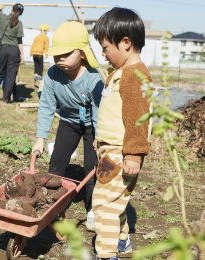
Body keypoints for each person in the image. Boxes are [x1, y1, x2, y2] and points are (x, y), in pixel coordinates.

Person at [91, 7, 152, 260]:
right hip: (111, 149)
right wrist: (100, 137)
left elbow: (137, 118)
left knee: (103, 206)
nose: (103, 54)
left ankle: (106, 255)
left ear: (125, 42)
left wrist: (134, 155)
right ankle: (122, 241)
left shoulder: (133, 76)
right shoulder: (120, 73)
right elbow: (114, 113)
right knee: (116, 201)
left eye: (105, 48)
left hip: (120, 154)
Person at [32, 21, 104, 228]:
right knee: (56, 164)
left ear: (82, 53)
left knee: (91, 168)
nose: (60, 59)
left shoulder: (93, 79)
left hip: (92, 126)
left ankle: (92, 209)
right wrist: (40, 138)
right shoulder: (53, 74)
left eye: (66, 54)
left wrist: (99, 138)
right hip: (69, 122)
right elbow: (46, 105)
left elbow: (99, 111)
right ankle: (53, 203)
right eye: (57, 55)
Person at [0, 1, 24, 103]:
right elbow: (19, 41)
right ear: (21, 13)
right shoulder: (19, 24)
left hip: (3, 49)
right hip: (14, 51)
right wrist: (22, 55)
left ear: (12, 9)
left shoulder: (2, 17)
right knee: (11, 75)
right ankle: (6, 98)